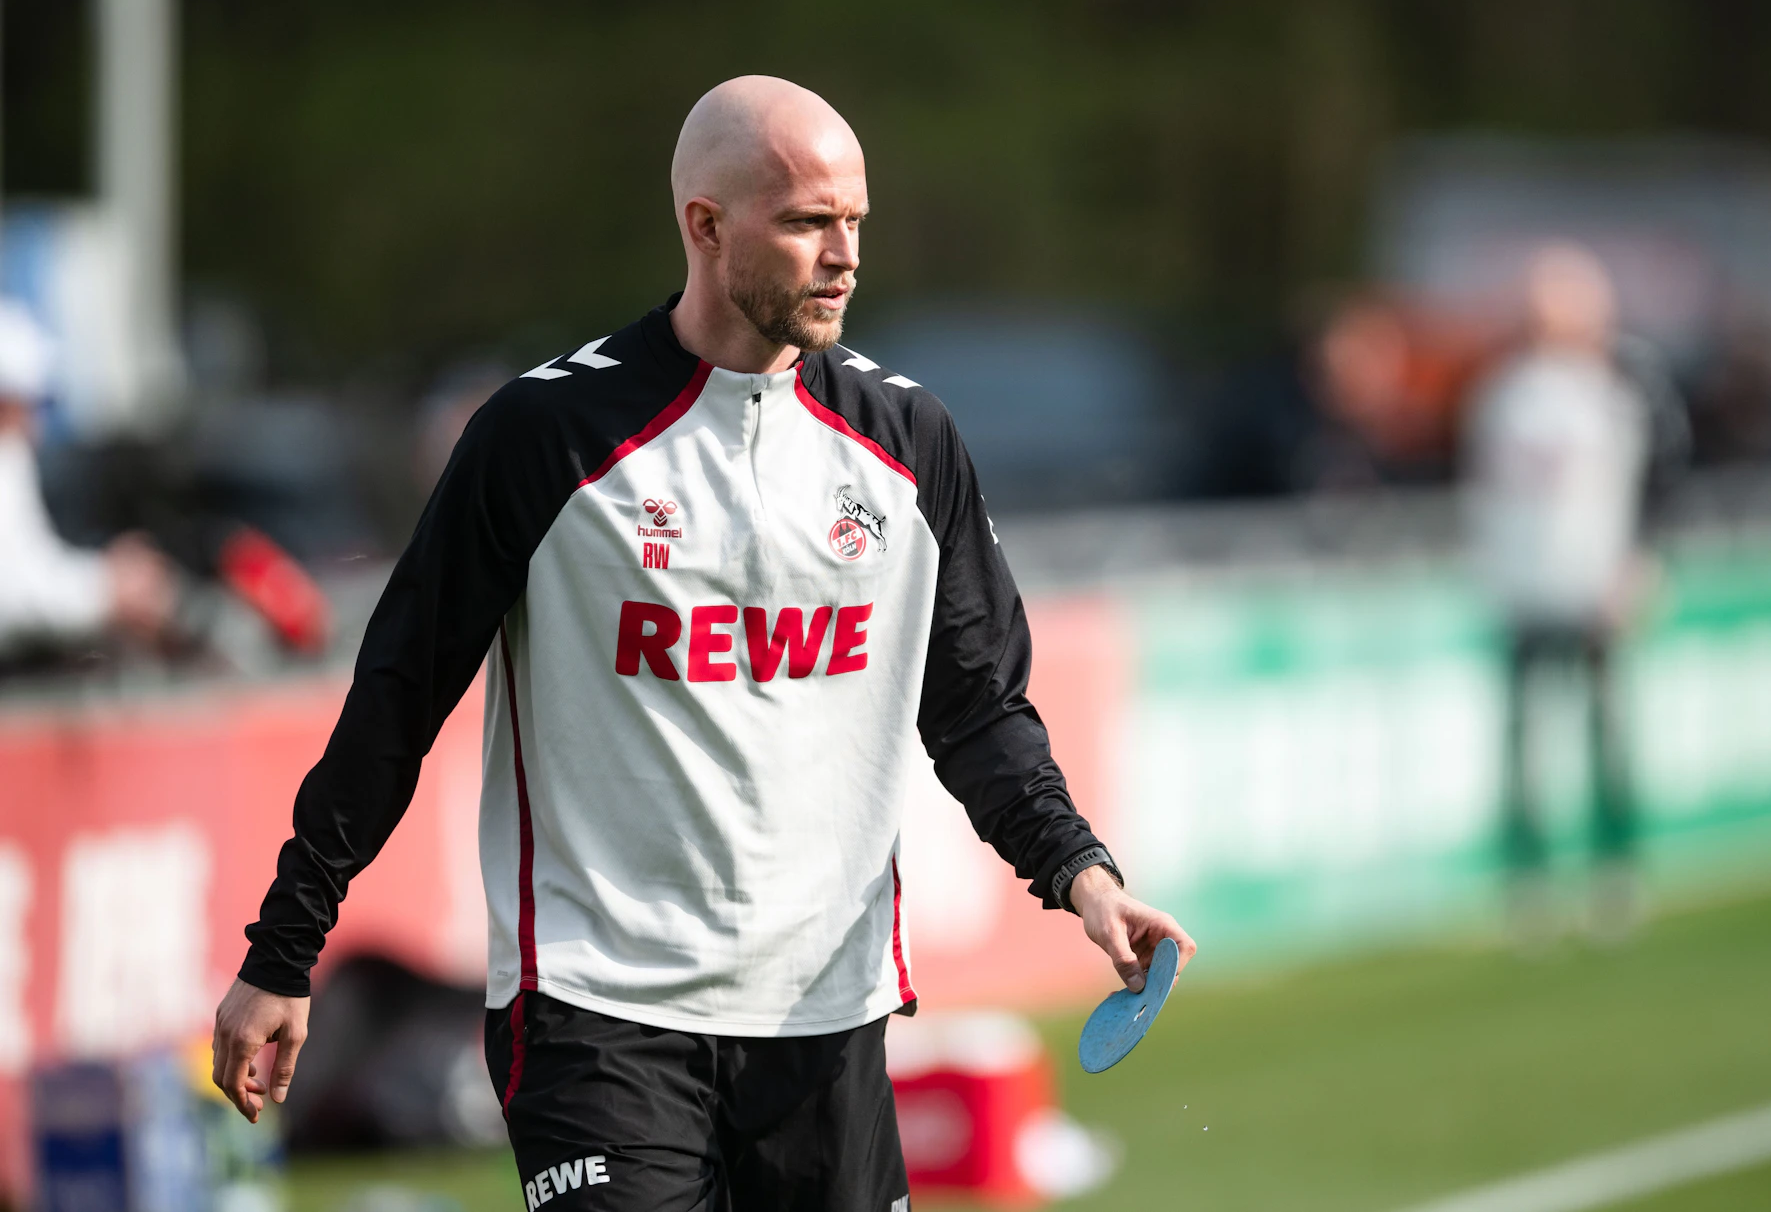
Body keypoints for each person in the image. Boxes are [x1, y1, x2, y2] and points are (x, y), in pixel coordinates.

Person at [213, 76, 1195, 1210]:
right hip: (596, 1011)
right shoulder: (545, 437)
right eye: (808, 221)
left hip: (822, 1018)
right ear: (705, 224)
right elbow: (398, 694)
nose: (843, 255)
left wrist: (1081, 872)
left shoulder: (907, 439)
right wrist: (285, 948)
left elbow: (975, 705)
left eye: (855, 222)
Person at [1464, 243, 1650, 942]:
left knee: (1605, 734)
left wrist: (1623, 569)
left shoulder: (1609, 394)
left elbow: (1627, 493)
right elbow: (1487, 495)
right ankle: (1530, 878)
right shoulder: (1505, 396)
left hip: (1588, 584)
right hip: (1526, 587)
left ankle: (1614, 867)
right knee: (1526, 743)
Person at [0, 299, 178, 663]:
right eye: (25, 404)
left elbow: (31, 571)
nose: (34, 427)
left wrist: (109, 579)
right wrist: (110, 589)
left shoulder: (12, 454)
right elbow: (13, 598)